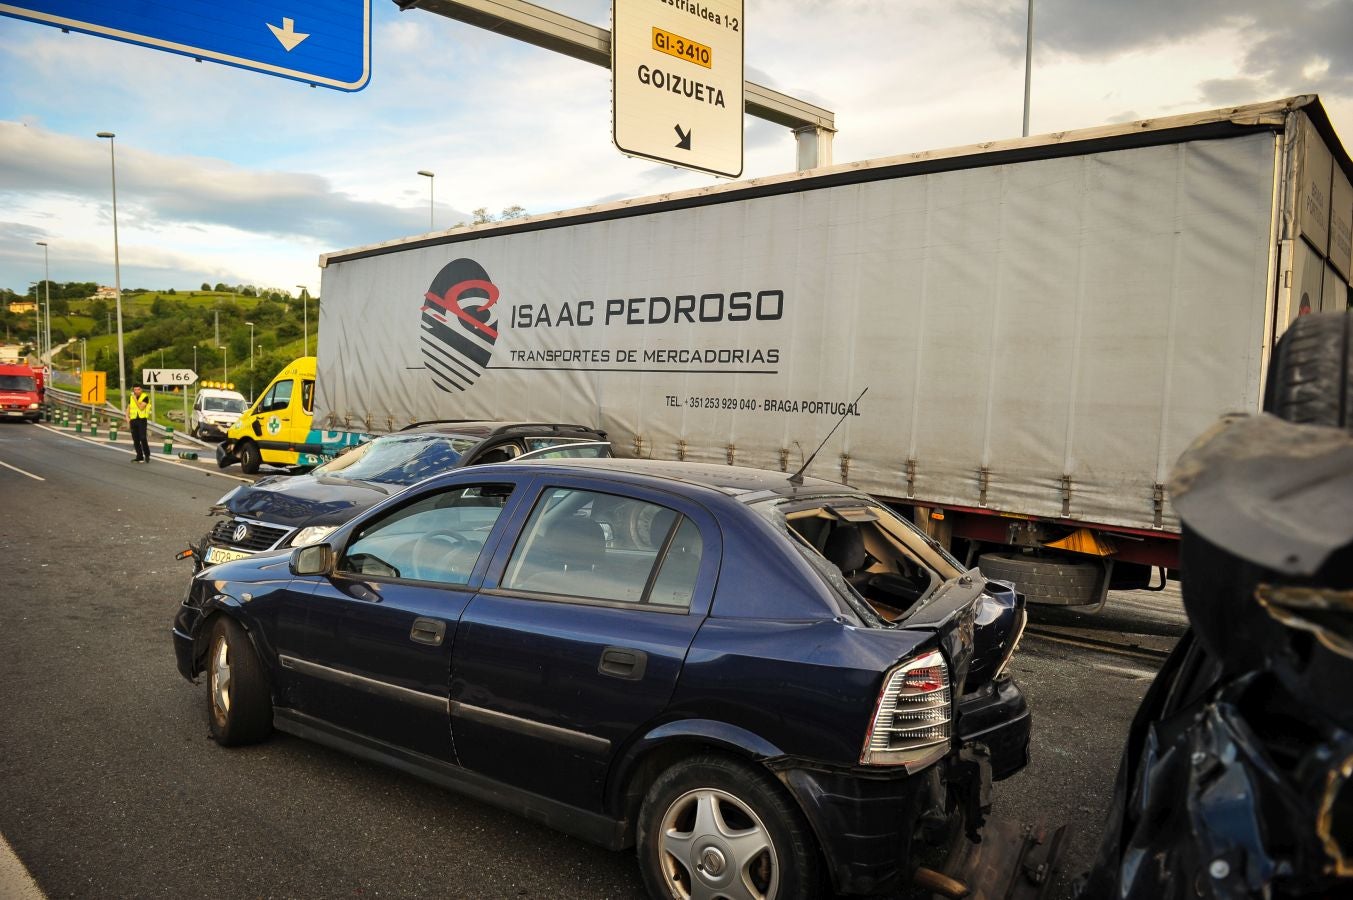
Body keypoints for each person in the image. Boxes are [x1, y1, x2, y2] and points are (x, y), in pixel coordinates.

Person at [126, 384, 152, 462]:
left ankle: (147, 454)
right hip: (133, 420)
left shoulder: (145, 397)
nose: (136, 391)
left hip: (142, 420)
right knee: (135, 439)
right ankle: (139, 456)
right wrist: (127, 417)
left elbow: (141, 408)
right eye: (135, 390)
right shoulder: (131, 397)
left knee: (143, 438)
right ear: (133, 390)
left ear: (141, 390)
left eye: (138, 389)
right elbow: (128, 407)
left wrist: (135, 399)